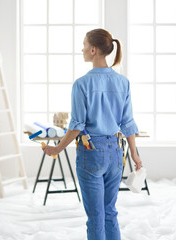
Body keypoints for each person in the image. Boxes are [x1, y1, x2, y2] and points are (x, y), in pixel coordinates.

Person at [42, 28, 142, 240]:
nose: (82, 49)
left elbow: (77, 125)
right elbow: (128, 123)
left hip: (91, 153)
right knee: (109, 212)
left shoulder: (82, 84)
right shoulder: (123, 82)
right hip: (116, 153)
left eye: (85, 45)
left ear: (94, 50)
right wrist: (134, 154)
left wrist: (58, 148)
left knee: (95, 217)